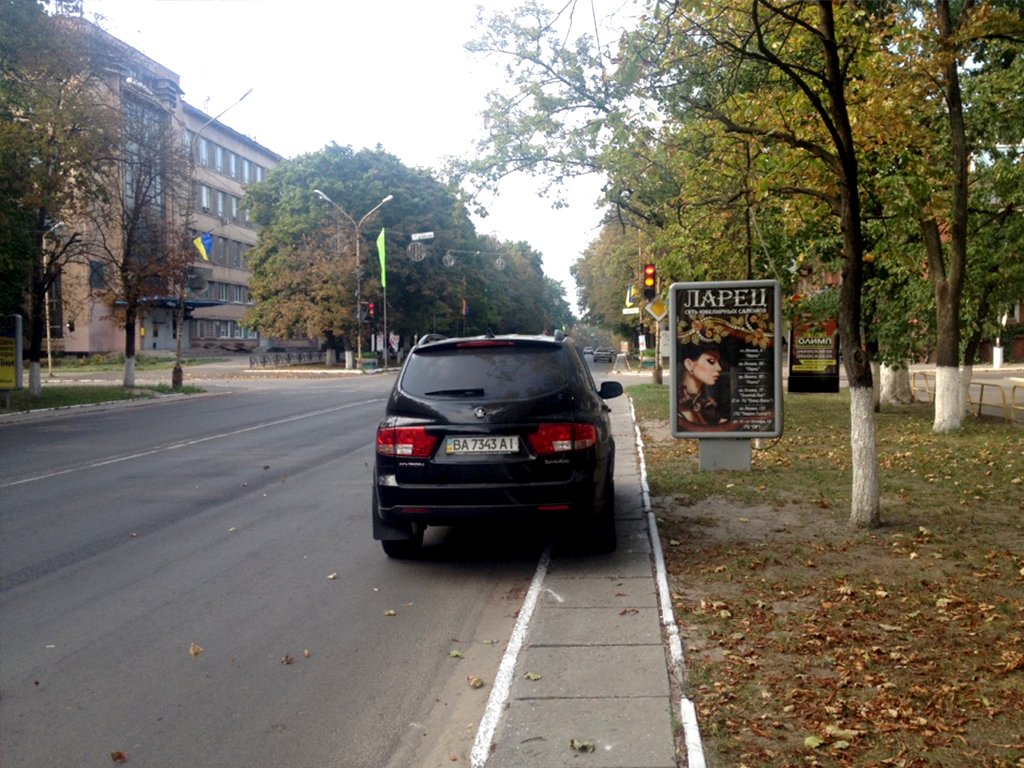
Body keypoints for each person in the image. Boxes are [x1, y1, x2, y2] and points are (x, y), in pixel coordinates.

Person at [678, 342, 725, 426]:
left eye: (718, 361)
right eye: (711, 361)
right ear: (689, 364)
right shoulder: (679, 405)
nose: (719, 368)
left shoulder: (708, 404)